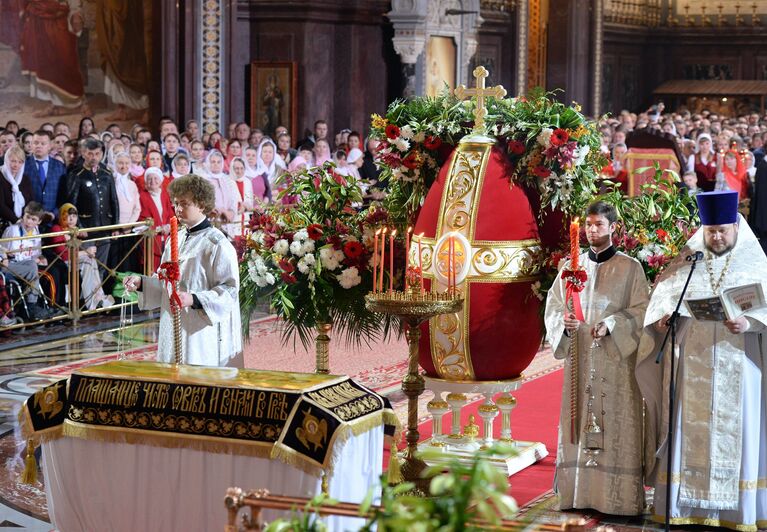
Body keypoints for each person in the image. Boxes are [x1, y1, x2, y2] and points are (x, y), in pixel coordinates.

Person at [637, 190, 767, 531]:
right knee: (686, 427)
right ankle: (682, 507)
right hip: (692, 362)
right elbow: (663, 297)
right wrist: (664, 318)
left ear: (737, 227)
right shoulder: (689, 259)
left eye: (723, 230)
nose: (718, 237)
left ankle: (737, 513)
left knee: (738, 431)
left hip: (738, 358)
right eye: (711, 232)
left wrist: (749, 322)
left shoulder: (755, 262)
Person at [544, 200, 649, 515]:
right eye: (588, 225)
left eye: (599, 225)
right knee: (579, 422)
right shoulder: (571, 268)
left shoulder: (631, 268)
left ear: (613, 227)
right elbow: (553, 306)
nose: (592, 231)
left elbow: (642, 310)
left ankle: (618, 500)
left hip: (615, 363)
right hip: (580, 359)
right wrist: (565, 323)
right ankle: (578, 495)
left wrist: (612, 324)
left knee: (614, 423)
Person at [124, 174, 242, 367]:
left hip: (200, 332)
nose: (178, 209)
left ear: (201, 204)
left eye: (184, 204)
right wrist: (142, 283)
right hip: (172, 325)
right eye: (176, 204)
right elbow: (165, 283)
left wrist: (194, 299)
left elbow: (230, 290)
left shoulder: (216, 243)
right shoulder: (174, 239)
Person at [62, 138, 119, 276]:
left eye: (97, 154)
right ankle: (88, 297)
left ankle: (98, 296)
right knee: (88, 265)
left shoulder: (107, 174)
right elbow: (71, 204)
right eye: (90, 154)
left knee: (102, 266)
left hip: (105, 228)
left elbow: (114, 201)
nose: (94, 157)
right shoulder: (76, 175)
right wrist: (79, 227)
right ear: (83, 153)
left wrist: (115, 226)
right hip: (86, 229)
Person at [48, 203, 113, 310]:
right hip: (61, 264)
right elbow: (63, 254)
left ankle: (98, 297)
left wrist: (87, 252)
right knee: (88, 261)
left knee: (91, 261)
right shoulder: (57, 229)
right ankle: (92, 302)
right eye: (68, 216)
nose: (71, 219)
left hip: (75, 261)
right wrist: (86, 252)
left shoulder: (75, 230)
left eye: (74, 216)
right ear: (61, 216)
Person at [0, 202, 53, 320]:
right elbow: (1, 249)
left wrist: (41, 259)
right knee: (32, 266)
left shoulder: (36, 234)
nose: (29, 221)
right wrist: (5, 255)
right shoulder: (12, 230)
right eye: (27, 217)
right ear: (23, 215)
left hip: (26, 266)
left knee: (38, 267)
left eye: (33, 219)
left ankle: (47, 305)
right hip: (7, 266)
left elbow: (37, 253)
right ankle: (31, 305)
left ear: (38, 222)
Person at [138, 167, 173, 271]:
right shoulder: (142, 196)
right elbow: (142, 218)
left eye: (155, 178)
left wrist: (169, 226)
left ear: (161, 180)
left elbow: (170, 214)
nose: (153, 181)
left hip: (166, 237)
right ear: (145, 181)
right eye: (149, 179)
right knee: (152, 268)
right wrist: (157, 229)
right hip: (151, 238)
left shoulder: (165, 194)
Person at [0, 146, 33, 228]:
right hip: (4, 223)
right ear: (6, 160)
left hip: (24, 223)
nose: (16, 165)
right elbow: (0, 205)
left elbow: (31, 201)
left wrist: (26, 219)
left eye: (20, 162)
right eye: (13, 161)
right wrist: (16, 220)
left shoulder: (25, 179)